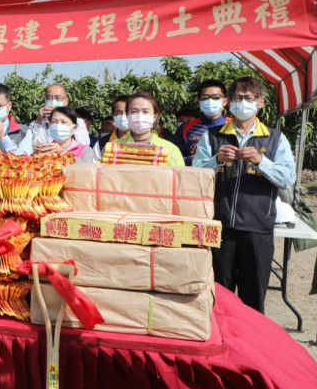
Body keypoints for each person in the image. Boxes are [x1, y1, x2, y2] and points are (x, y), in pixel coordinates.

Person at [193, 77, 296, 313]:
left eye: (248, 98)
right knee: (219, 294)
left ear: (259, 103)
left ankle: (250, 345)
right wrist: (216, 160)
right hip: (219, 227)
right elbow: (195, 177)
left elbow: (288, 178)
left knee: (253, 297)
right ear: (229, 103)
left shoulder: (274, 138)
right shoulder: (212, 136)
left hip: (257, 228)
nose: (243, 102)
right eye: (238, 98)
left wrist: (261, 161)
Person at [115, 90, 184, 166]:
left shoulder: (170, 149)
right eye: (134, 111)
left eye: (145, 112)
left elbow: (179, 176)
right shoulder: (114, 147)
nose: (139, 116)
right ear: (127, 116)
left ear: (154, 117)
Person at [175, 80, 230, 164]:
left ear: (225, 101)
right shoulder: (185, 128)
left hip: (227, 176)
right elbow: (173, 158)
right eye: (205, 98)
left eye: (216, 97)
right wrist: (190, 159)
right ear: (199, 102)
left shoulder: (234, 125)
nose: (210, 101)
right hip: (195, 175)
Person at [25, 83, 90, 153]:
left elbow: (84, 146)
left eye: (57, 98)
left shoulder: (77, 122)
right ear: (45, 100)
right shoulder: (38, 123)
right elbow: (30, 146)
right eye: (49, 98)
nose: (53, 101)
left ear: (66, 101)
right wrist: (38, 120)